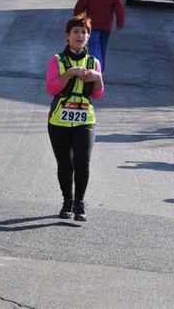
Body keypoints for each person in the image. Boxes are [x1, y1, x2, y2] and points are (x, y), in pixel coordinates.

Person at [45, 14, 104, 222]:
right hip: (59, 121)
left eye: (84, 32)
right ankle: (67, 201)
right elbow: (51, 88)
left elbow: (97, 94)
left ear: (88, 37)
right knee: (65, 164)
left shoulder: (93, 62)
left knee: (82, 161)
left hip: (85, 119)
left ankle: (79, 202)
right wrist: (69, 73)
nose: (80, 35)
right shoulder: (57, 60)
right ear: (67, 36)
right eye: (76, 32)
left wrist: (98, 78)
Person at [73, 0, 125, 70]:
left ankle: (96, 69)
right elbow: (120, 9)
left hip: (92, 25)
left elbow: (80, 6)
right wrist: (120, 23)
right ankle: (101, 68)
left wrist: (77, 18)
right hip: (106, 26)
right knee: (102, 48)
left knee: (93, 47)